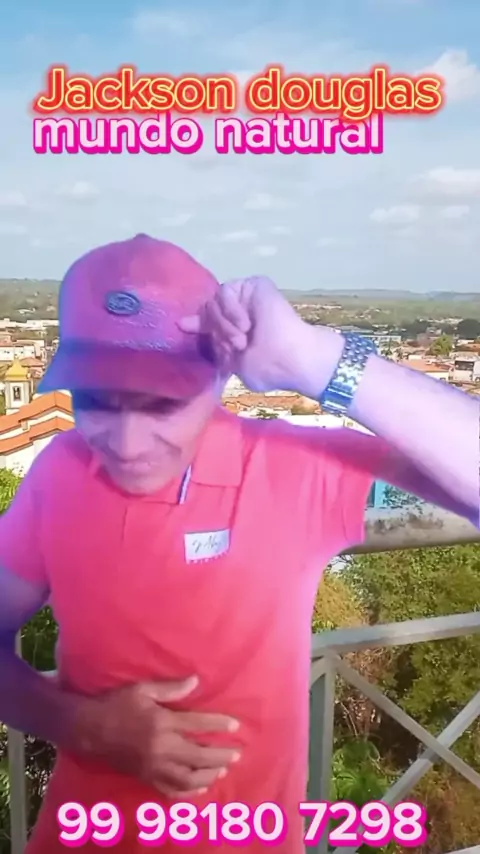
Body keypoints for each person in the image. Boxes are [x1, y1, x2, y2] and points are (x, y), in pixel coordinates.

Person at [0, 234, 477, 853]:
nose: (126, 443)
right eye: (95, 402)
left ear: (218, 376)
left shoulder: (286, 469)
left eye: (162, 404)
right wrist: (81, 725)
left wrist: (312, 359)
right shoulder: (60, 471)